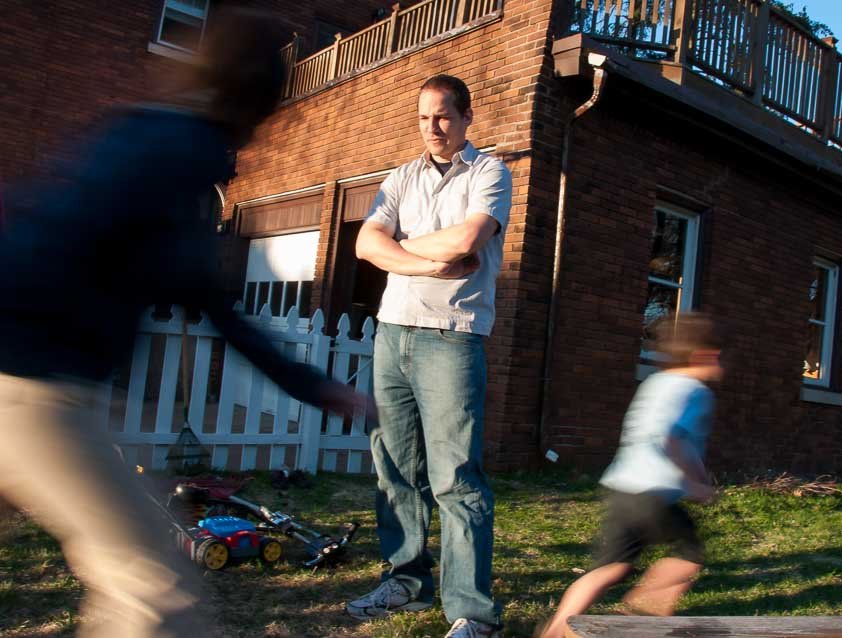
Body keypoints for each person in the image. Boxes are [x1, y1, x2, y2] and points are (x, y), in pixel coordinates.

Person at [0, 9, 369, 637]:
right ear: (255, 102)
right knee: (157, 595)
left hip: (41, 380)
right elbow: (213, 301)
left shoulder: (136, 131)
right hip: (34, 387)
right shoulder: (183, 153)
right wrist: (316, 386)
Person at [347, 74, 512, 638]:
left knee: (456, 476)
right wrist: (422, 263)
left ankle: (472, 613)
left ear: (466, 118)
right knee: (394, 466)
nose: (433, 128)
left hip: (451, 335)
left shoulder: (490, 173)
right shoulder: (400, 176)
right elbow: (364, 244)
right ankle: (405, 580)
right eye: (423, 118)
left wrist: (396, 251)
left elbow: (467, 241)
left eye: (443, 116)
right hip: (392, 334)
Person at [539, 313, 723, 638]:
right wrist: (695, 482)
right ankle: (643, 612)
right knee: (689, 556)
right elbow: (673, 438)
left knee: (612, 566)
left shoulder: (654, 383)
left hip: (623, 490)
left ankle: (557, 628)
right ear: (702, 356)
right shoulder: (694, 391)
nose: (720, 364)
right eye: (718, 357)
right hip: (656, 494)